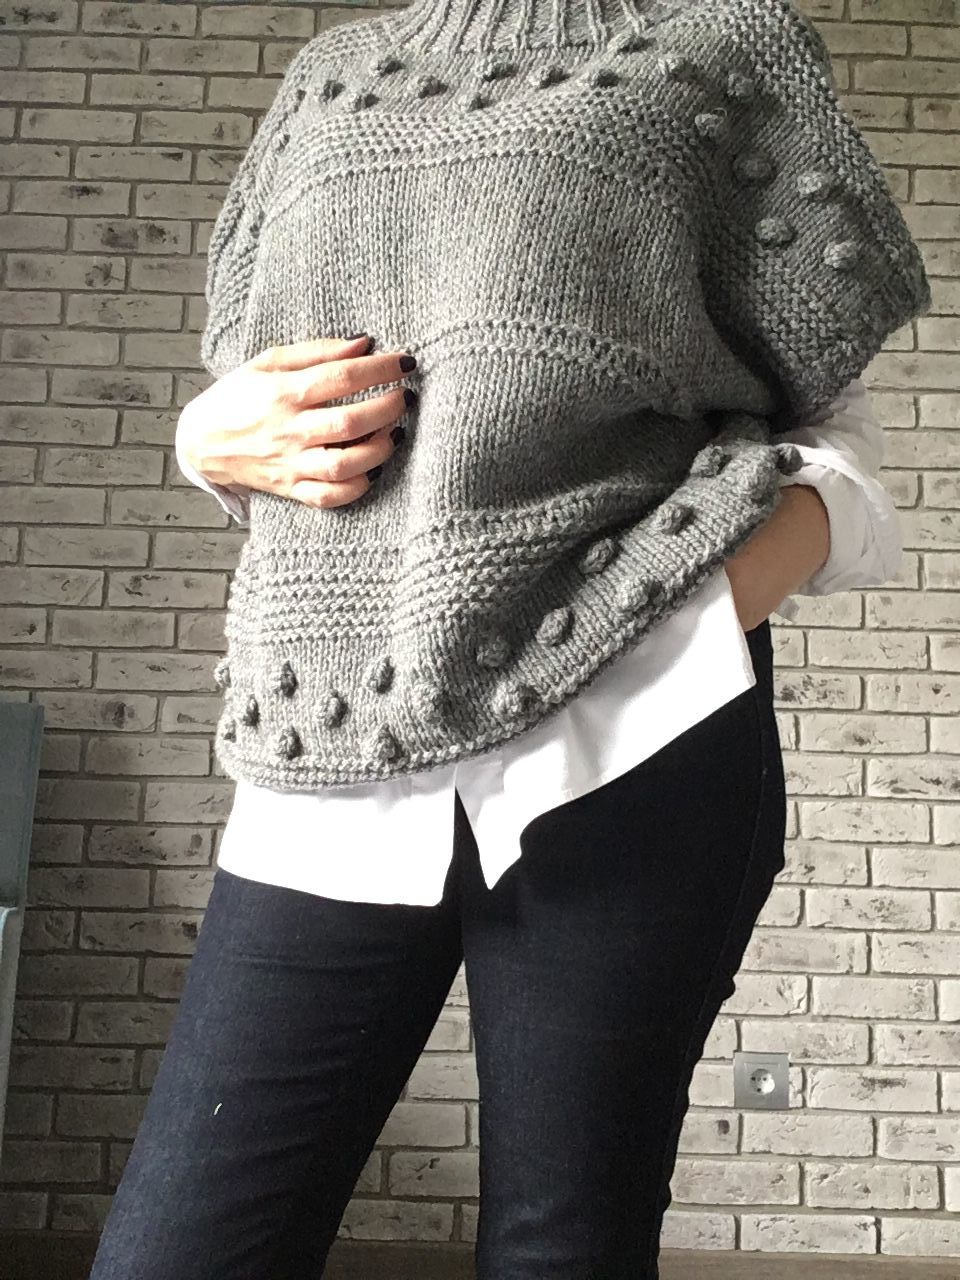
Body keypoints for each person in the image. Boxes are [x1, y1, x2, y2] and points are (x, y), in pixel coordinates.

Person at [87, 0, 930, 1275]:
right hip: (335, 733)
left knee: (567, 1244)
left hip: (633, 741)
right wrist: (201, 439)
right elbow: (267, 392)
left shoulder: (720, 49)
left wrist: (673, 637)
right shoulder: (333, 77)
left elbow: (838, 447)